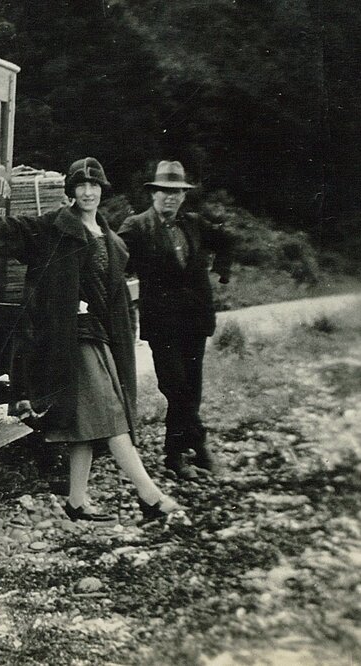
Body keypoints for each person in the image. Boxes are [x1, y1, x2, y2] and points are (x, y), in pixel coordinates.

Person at [0, 157, 183, 523]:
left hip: (102, 338)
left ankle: (76, 501)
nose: (87, 192)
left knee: (88, 423)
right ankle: (150, 497)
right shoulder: (53, 227)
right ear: (70, 190)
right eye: (80, 185)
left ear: (102, 190)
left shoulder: (112, 239)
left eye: (94, 186)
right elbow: (13, 228)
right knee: (112, 418)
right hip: (68, 338)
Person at [118, 160, 233, 481]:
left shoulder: (194, 223)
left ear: (184, 196)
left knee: (191, 388)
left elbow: (227, 239)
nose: (170, 198)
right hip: (162, 323)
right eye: (164, 192)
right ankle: (199, 444)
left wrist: (223, 271)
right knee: (175, 386)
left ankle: (174, 454)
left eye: (177, 193)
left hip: (196, 320)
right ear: (153, 194)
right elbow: (112, 255)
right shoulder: (137, 226)